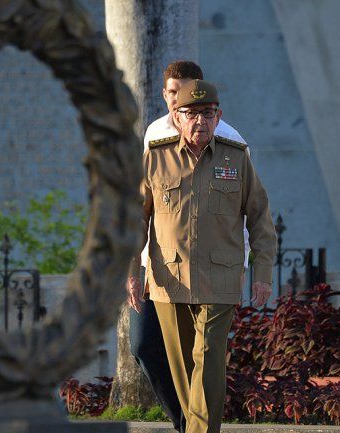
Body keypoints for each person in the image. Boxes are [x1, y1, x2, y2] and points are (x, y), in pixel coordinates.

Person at [129, 79, 276, 433]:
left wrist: (262, 275)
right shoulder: (156, 157)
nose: (200, 121)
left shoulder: (236, 157)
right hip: (169, 280)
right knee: (183, 370)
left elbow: (260, 218)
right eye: (191, 113)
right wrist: (132, 272)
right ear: (177, 117)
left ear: (218, 116)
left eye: (207, 114)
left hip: (219, 278)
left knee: (208, 358)